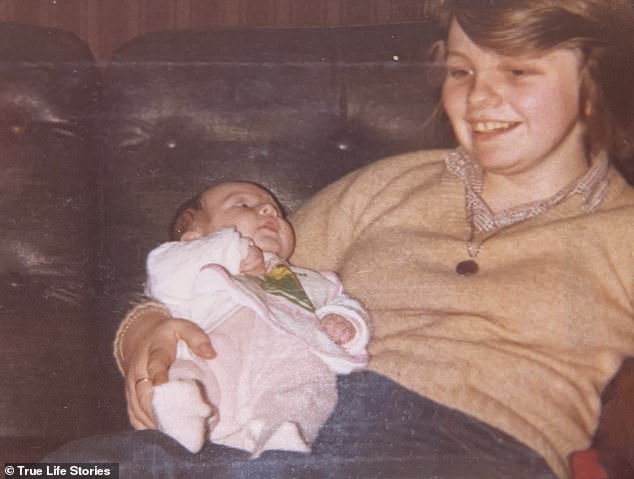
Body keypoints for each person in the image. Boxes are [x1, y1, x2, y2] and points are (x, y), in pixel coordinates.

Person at [45, 1, 634, 478]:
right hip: (298, 425)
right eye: (462, 71)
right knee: (69, 469)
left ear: (591, 84)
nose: (479, 98)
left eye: (518, 70)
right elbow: (260, 273)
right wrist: (143, 330)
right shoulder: (390, 184)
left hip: (469, 447)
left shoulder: (621, 230)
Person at [144, 181, 369, 456]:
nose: (268, 210)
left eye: (276, 211)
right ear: (194, 238)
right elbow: (162, 271)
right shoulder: (192, 260)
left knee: (311, 386)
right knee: (187, 370)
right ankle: (182, 412)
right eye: (244, 204)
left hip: (286, 361)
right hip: (215, 349)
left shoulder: (308, 280)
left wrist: (344, 321)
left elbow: (341, 302)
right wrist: (232, 249)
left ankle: (280, 435)